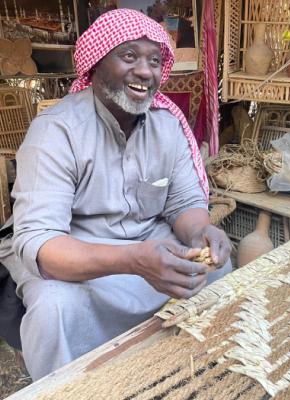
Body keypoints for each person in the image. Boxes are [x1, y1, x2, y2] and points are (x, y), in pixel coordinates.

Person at [0, 9, 231, 381]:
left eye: (154, 61)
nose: (145, 71)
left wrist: (201, 233)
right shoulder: (56, 132)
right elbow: (42, 245)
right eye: (129, 56)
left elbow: (185, 204)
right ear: (96, 64)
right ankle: (77, 389)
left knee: (218, 275)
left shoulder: (167, 127)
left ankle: (183, 378)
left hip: (148, 247)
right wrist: (135, 260)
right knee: (54, 308)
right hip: (77, 256)